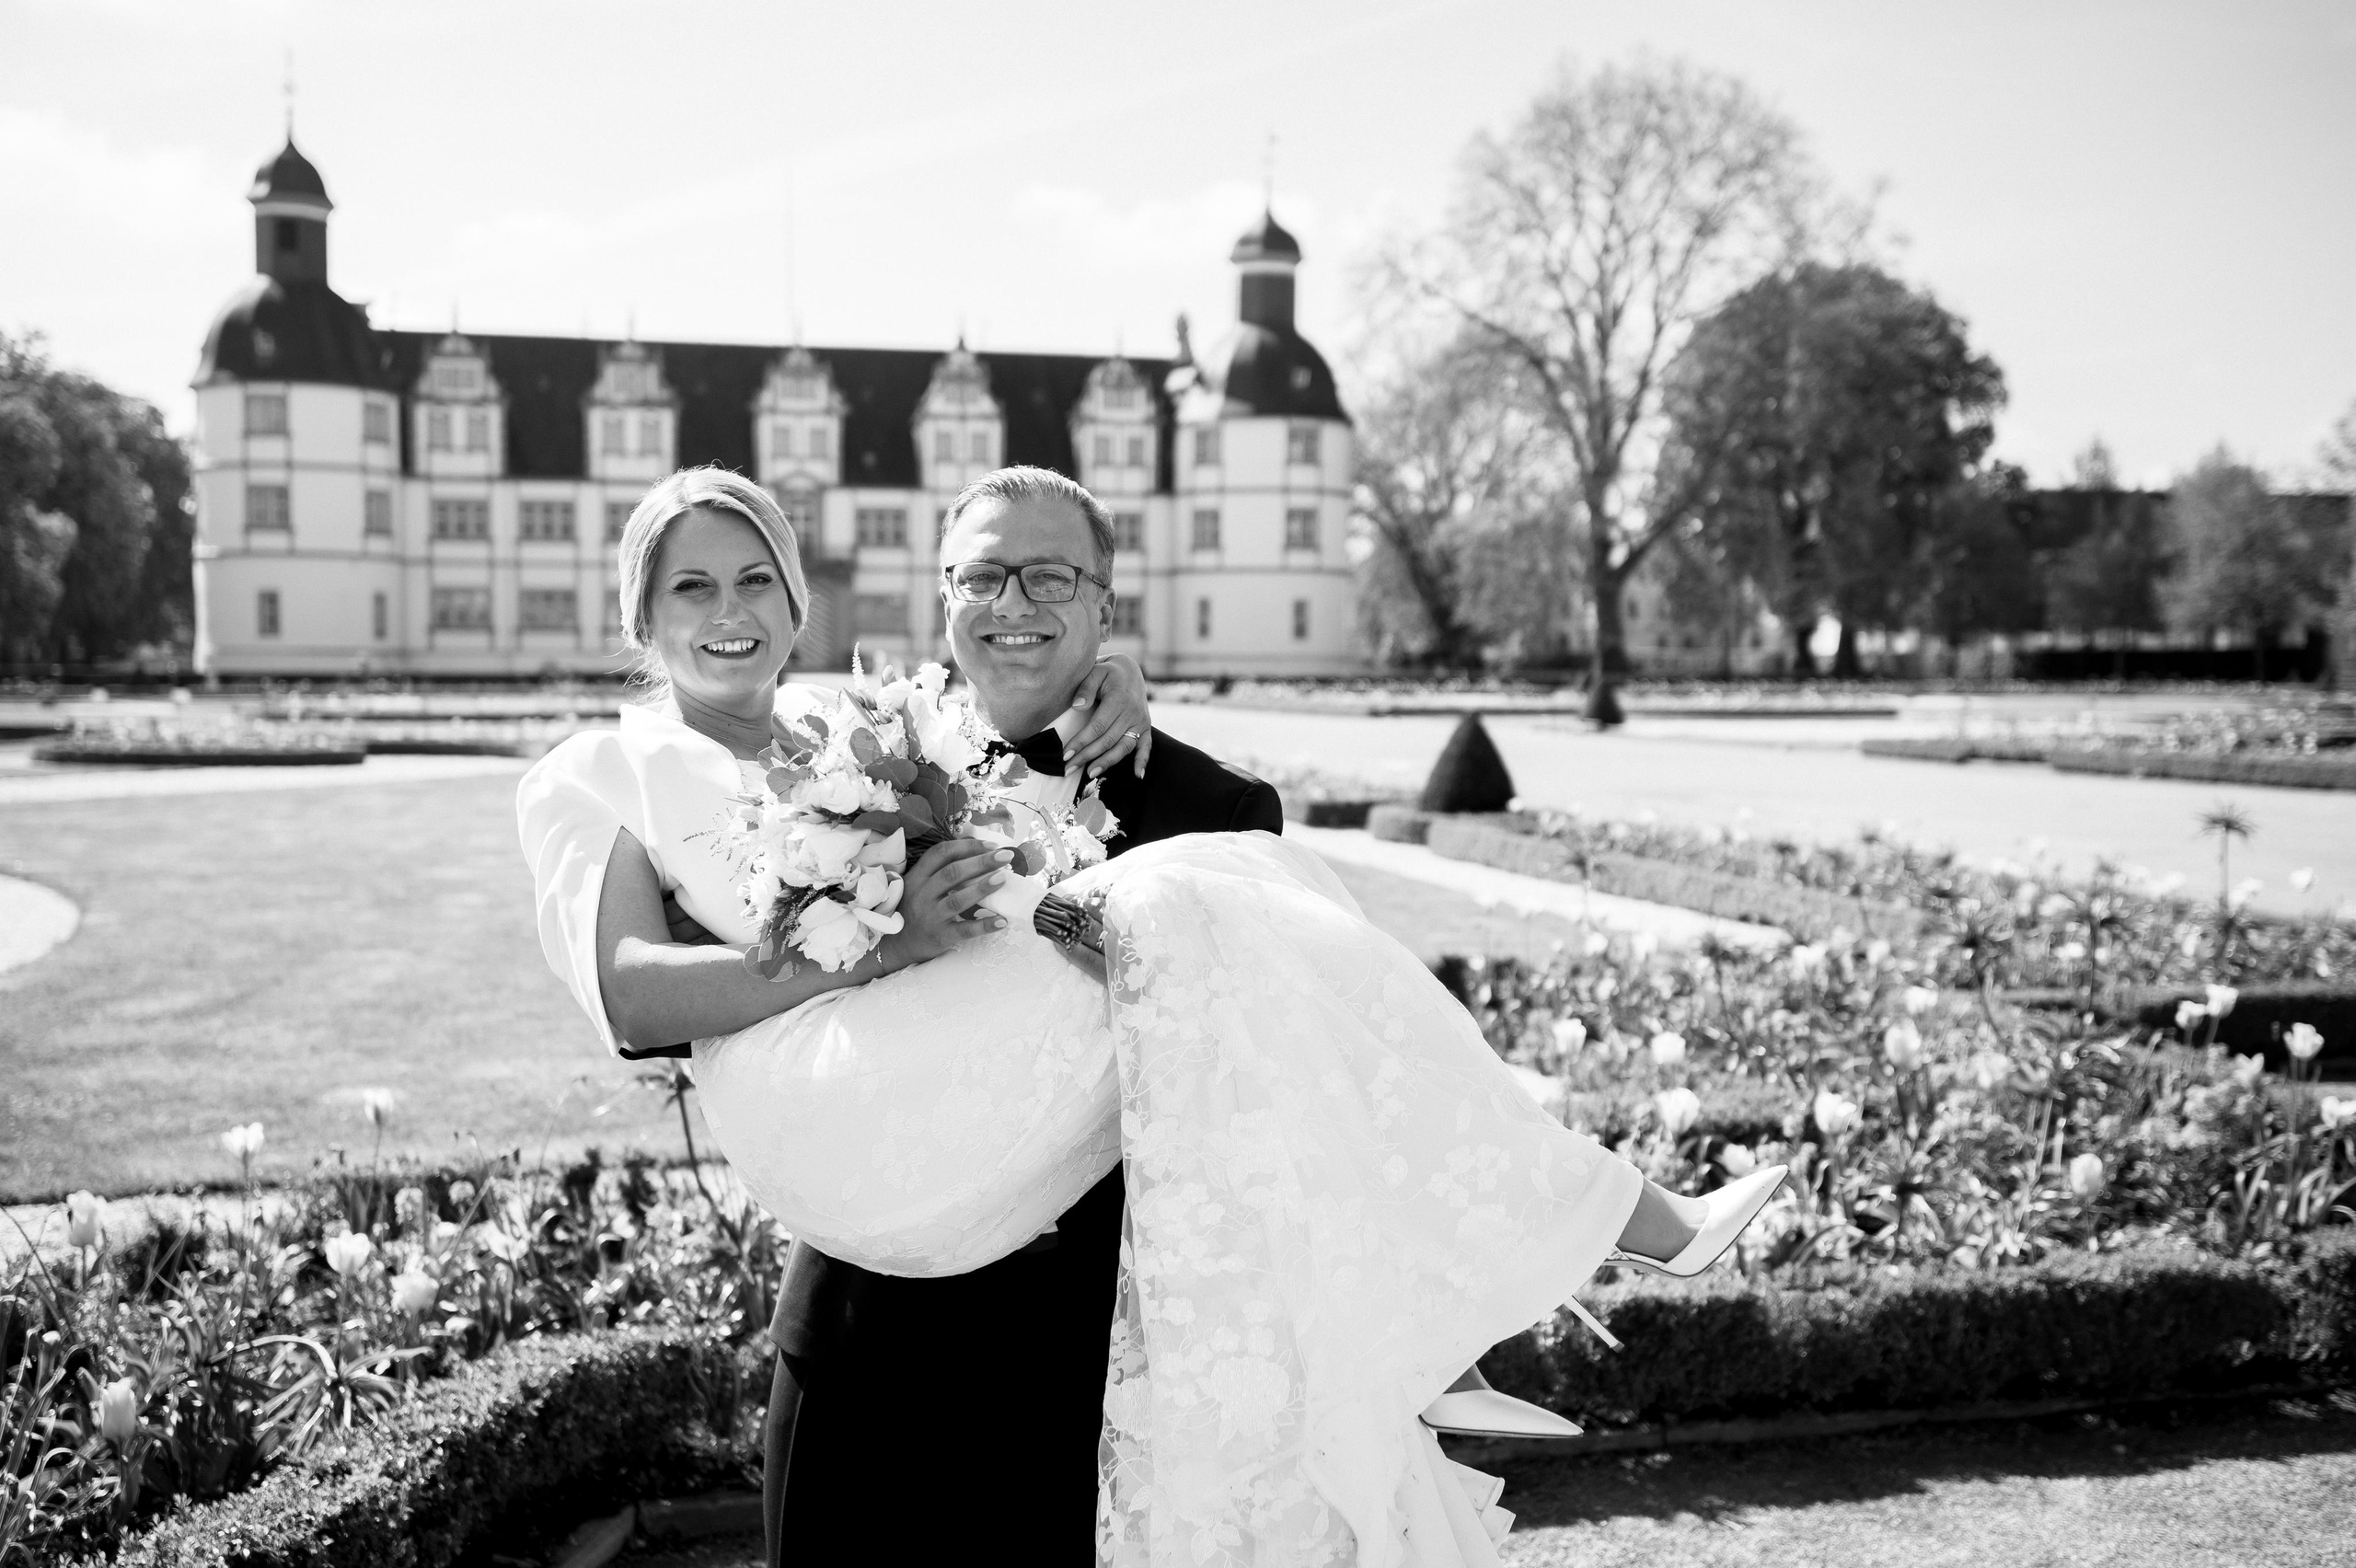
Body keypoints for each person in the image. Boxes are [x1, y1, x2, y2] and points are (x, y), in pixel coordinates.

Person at [517, 466, 1784, 1567]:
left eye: (1053, 583)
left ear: (799, 607)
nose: (728, 612)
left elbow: (1259, 1106)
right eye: (691, 588)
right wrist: (876, 948)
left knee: (1211, 882)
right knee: (1191, 895)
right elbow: (636, 992)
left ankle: (1490, 1294)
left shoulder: (877, 736)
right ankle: (1574, 1240)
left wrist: (1102, 703)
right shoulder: (809, 748)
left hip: (1076, 1361)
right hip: (870, 1328)